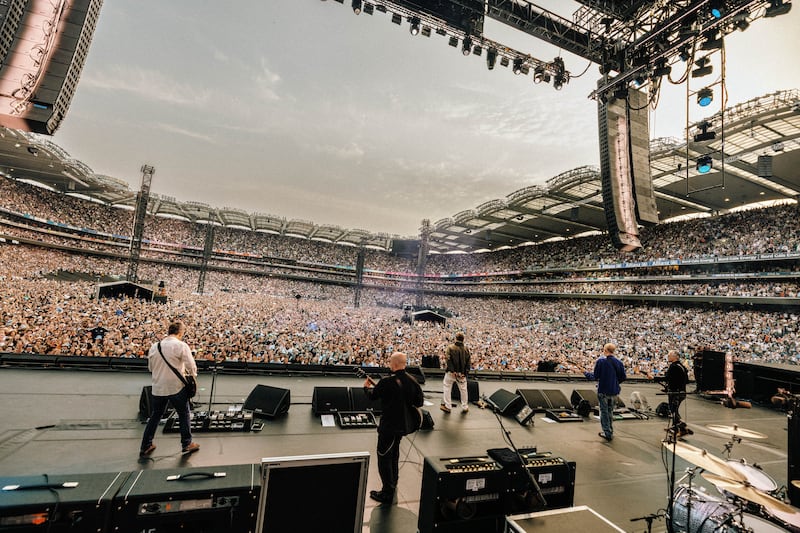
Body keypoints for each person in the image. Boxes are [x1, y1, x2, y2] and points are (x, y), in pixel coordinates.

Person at [363, 352, 424, 504]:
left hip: (389, 425)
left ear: (394, 364)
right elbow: (419, 402)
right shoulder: (413, 380)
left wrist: (366, 388)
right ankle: (393, 482)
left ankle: (387, 493)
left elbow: (373, 397)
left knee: (384, 456)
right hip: (404, 425)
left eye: (390, 362)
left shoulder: (386, 382)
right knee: (395, 452)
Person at [139, 321, 200, 457]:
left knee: (155, 415)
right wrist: (192, 378)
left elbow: (150, 368)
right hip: (176, 387)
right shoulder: (180, 345)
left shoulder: (155, 346)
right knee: (184, 413)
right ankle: (187, 444)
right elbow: (192, 366)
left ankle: (146, 445)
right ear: (180, 332)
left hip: (158, 387)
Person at [653, 350, 692, 438]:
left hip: (675, 393)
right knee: (674, 410)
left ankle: (681, 427)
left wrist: (655, 378)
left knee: (673, 410)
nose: (668, 357)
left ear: (675, 357)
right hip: (681, 392)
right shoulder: (681, 366)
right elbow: (685, 381)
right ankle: (678, 428)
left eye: (670, 355)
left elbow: (668, 378)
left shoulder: (674, 366)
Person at [594, 343, 626, 442]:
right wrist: (615, 383)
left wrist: (586, 373)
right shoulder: (619, 362)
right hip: (614, 391)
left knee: (604, 412)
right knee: (610, 411)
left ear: (605, 350)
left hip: (603, 390)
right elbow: (623, 377)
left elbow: (596, 376)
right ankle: (610, 430)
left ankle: (607, 433)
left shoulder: (601, 361)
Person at [441, 332, 471, 413]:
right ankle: (465, 406)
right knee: (463, 390)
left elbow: (448, 359)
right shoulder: (466, 349)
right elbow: (468, 362)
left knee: (447, 387)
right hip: (462, 374)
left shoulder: (450, 347)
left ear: (455, 338)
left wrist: (452, 370)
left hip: (451, 373)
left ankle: (448, 406)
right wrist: (465, 372)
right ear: (463, 339)